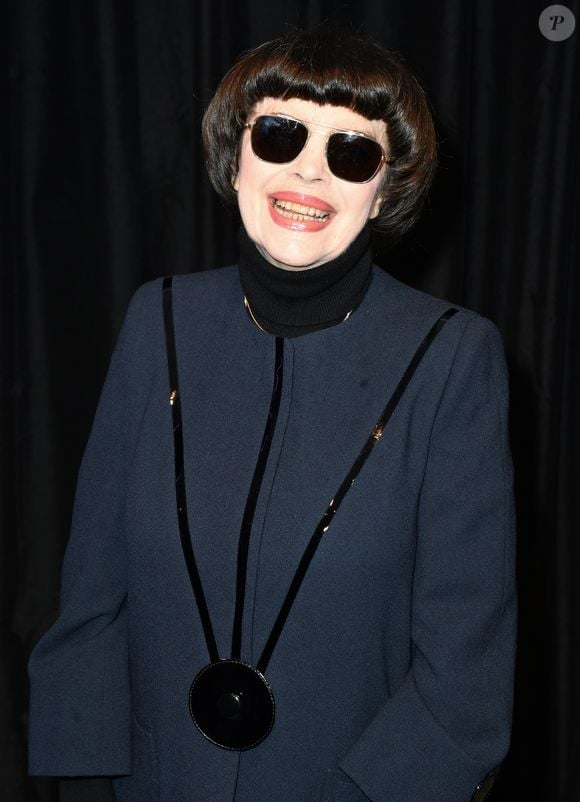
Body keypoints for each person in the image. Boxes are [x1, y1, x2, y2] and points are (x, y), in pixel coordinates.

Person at [28, 25, 516, 802]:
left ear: (385, 187)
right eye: (282, 135)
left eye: (351, 152)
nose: (309, 174)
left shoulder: (454, 359)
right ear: (238, 153)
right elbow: (91, 608)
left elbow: (465, 683)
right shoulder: (156, 323)